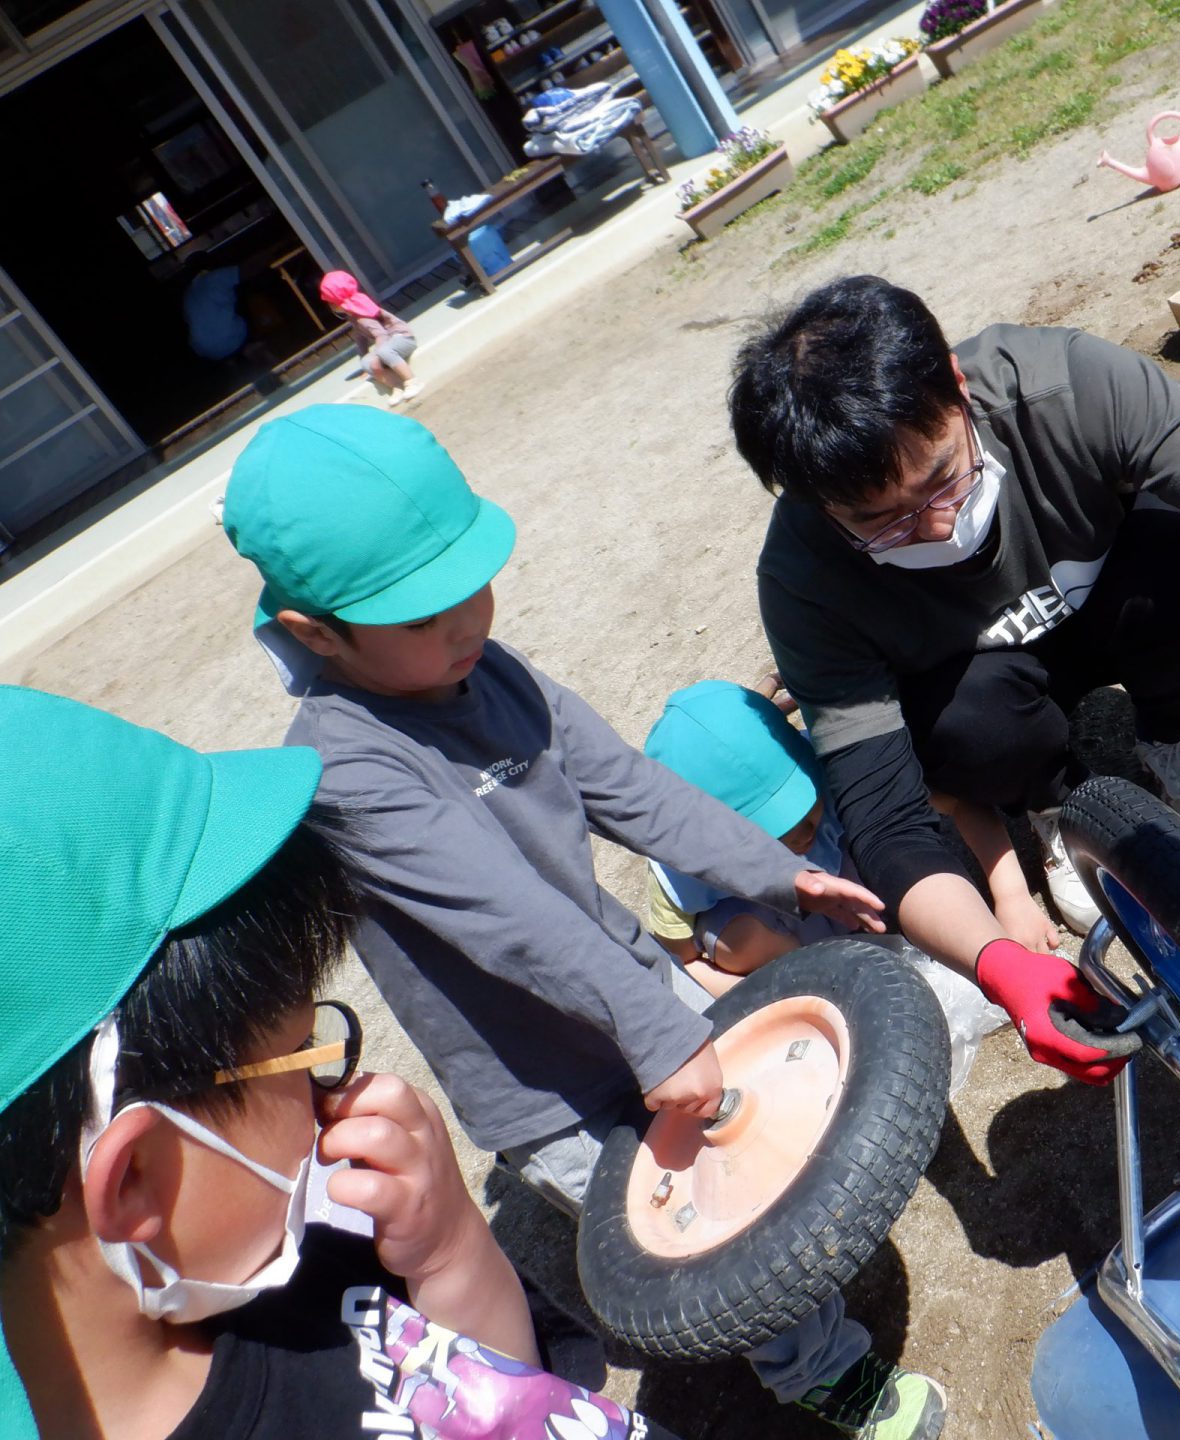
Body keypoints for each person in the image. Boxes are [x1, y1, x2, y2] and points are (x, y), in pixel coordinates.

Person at [220, 404, 944, 1440]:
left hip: (631, 985)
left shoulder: (492, 670)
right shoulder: (346, 770)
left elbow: (634, 791)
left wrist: (782, 876)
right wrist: (657, 1031)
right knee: (700, 1224)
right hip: (539, 1082)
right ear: (314, 633)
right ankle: (817, 1369)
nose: (466, 625)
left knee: (745, 1168)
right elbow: (511, 924)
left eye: (471, 588)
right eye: (422, 619)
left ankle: (796, 1301)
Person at [734, 277, 1180, 1085]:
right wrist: (997, 961)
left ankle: (1178, 734)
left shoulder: (1063, 385)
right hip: (983, 690)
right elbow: (886, 821)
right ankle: (1053, 805)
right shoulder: (804, 578)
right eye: (883, 522)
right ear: (814, 500)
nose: (936, 525)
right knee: (960, 734)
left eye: (943, 478)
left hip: (1125, 599)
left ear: (956, 386)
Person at [0, 685, 652, 1440]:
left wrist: (450, 1260)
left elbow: (518, 1411)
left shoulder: (293, 1255)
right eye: (303, 1062)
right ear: (135, 1178)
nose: (328, 1099)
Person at [643, 678, 1056, 996]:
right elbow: (684, 961)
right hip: (773, 922)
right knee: (739, 939)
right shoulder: (681, 864)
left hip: (841, 888)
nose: (803, 837)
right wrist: (763, 999)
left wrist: (1012, 896)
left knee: (893, 855)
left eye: (806, 809)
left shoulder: (839, 772)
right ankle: (812, 976)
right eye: (774, 834)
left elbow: (961, 802)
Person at [318, 270, 422, 406]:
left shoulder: (362, 316)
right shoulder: (353, 316)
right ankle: (396, 386)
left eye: (331, 303)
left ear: (339, 303)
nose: (331, 307)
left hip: (403, 339)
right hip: (388, 345)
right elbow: (360, 339)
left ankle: (411, 381)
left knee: (382, 352)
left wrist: (377, 358)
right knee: (367, 362)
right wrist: (364, 362)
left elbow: (381, 335)